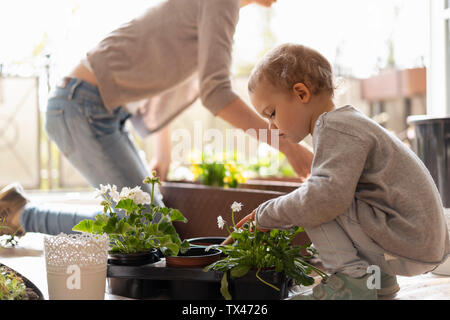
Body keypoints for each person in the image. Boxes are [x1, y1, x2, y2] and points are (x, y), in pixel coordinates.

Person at [0, 0, 314, 237]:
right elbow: (216, 93)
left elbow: (157, 79)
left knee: (150, 221)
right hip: (82, 107)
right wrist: (285, 144)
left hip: (96, 110)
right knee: (145, 226)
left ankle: (17, 210)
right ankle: (20, 216)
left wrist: (163, 155)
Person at [232, 43, 450, 300]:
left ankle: (352, 284)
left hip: (408, 245)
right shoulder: (347, 124)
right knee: (321, 192)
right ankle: (378, 281)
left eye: (272, 113)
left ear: (301, 93)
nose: (271, 125)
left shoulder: (336, 127)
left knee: (317, 198)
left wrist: (266, 214)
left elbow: (323, 200)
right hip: (417, 243)